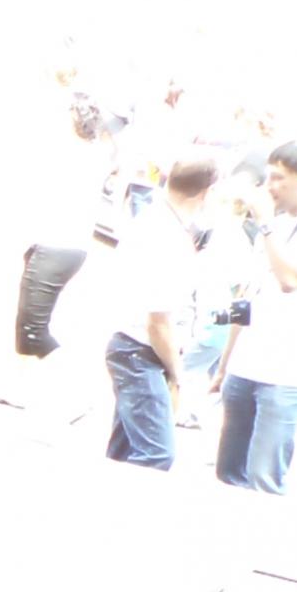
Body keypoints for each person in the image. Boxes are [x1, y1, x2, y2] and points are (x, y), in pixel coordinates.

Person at [209, 141, 297, 495]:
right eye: (268, 177)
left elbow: (289, 280)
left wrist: (265, 226)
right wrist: (225, 364)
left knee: (264, 479)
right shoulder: (275, 226)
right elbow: (247, 298)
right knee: (228, 475)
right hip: (244, 368)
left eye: (279, 178)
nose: (269, 187)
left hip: (287, 375)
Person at [103, 156, 220, 471]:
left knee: (126, 450)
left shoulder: (154, 220)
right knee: (156, 453)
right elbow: (158, 324)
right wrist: (178, 372)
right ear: (206, 193)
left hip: (133, 346)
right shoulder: (167, 236)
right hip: (140, 351)